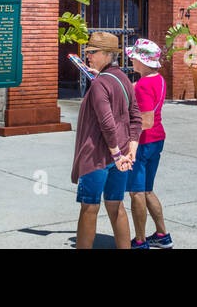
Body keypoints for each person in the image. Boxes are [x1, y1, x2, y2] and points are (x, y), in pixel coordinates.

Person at [72, 31, 141, 249]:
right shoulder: (123, 79)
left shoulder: (100, 84)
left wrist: (118, 154)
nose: (87, 54)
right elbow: (135, 117)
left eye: (92, 51)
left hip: (97, 158)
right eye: (87, 50)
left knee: (89, 208)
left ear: (107, 54)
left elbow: (107, 123)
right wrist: (131, 149)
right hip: (118, 157)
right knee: (116, 206)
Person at [125, 38, 173, 249]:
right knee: (146, 190)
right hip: (157, 139)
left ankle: (140, 241)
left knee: (136, 192)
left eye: (134, 57)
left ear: (142, 61)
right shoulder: (158, 79)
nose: (131, 60)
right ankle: (162, 235)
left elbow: (146, 120)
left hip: (143, 143)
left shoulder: (143, 85)